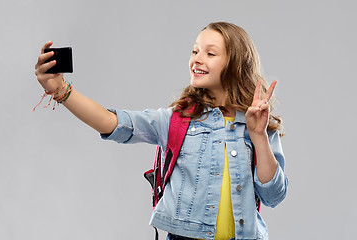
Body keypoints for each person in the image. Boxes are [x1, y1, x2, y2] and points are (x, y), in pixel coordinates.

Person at [35, 22, 288, 240]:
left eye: (210, 54)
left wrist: (258, 136)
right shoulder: (178, 119)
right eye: (195, 51)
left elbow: (273, 195)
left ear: (236, 63)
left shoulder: (259, 125)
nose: (197, 58)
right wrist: (61, 90)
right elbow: (112, 122)